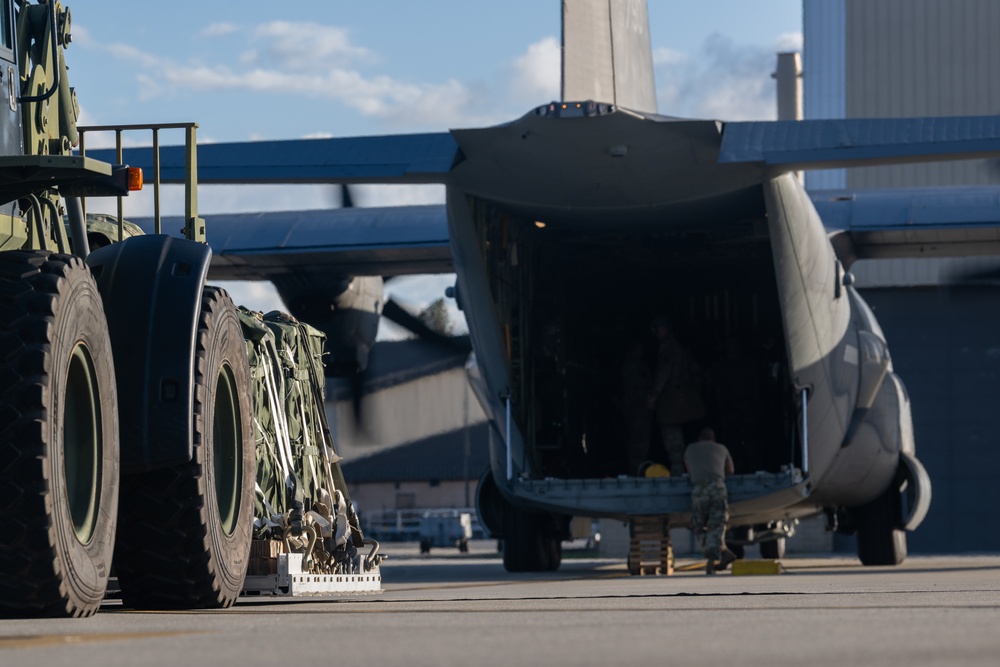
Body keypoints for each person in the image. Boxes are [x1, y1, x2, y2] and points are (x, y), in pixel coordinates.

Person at [647, 316, 705, 474]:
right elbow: (696, 371)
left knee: (673, 440)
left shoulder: (667, 347)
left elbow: (664, 371)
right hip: (685, 396)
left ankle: (678, 472)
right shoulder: (681, 348)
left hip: (672, 398)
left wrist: (654, 394)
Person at [684, 427, 737, 574]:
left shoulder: (690, 448)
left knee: (697, 525)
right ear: (713, 439)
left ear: (699, 438)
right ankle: (718, 554)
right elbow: (730, 470)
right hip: (718, 489)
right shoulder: (722, 448)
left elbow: (688, 469)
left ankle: (715, 555)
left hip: (699, 490)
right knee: (717, 525)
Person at [621, 338, 652, 475]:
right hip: (637, 407)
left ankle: (638, 469)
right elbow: (640, 384)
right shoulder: (634, 366)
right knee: (638, 440)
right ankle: (637, 471)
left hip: (636, 407)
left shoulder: (632, 365)